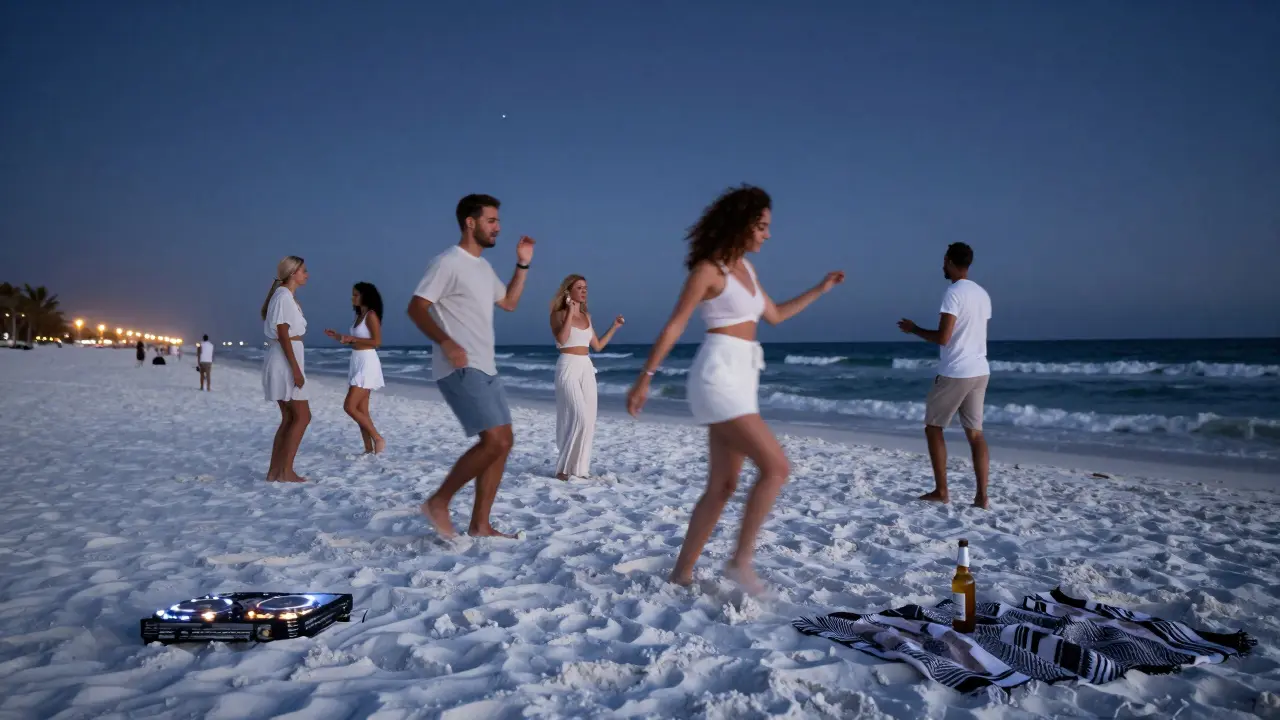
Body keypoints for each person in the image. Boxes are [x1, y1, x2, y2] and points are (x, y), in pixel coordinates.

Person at [626, 184, 844, 595]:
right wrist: (645, 377)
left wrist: (821, 288)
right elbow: (675, 324)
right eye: (761, 226)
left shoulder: (747, 270)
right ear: (741, 224)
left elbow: (776, 315)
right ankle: (739, 561)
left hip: (744, 376)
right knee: (777, 467)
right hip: (717, 375)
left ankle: (682, 573)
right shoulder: (709, 271)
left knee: (723, 486)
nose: (767, 234)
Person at [407, 194, 535, 539]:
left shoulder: (483, 267)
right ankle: (439, 501)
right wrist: (446, 342)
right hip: (460, 366)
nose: (498, 227)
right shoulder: (447, 262)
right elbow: (416, 308)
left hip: (486, 364)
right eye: (491, 220)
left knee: (504, 442)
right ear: (470, 222)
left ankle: (480, 524)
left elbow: (508, 302)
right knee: (493, 441)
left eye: (497, 221)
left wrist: (522, 265)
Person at [897, 242, 993, 509]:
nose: (942, 265)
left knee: (933, 427)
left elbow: (944, 337)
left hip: (955, 371)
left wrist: (914, 329)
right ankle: (982, 496)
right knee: (976, 434)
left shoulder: (953, 293)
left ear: (950, 261)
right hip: (980, 369)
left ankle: (941, 490)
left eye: (944, 260)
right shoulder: (982, 295)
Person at [548, 274, 625, 481]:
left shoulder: (587, 317)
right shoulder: (557, 314)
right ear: (568, 291)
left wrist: (615, 327)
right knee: (579, 417)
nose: (584, 291)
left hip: (586, 367)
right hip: (567, 366)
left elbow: (598, 346)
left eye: (586, 288)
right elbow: (562, 339)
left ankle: (579, 470)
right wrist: (570, 313)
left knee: (589, 420)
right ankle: (563, 469)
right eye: (579, 287)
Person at [261, 255, 311, 483]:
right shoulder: (283, 296)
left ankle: (275, 472)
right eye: (303, 271)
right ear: (293, 273)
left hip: (283, 358)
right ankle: (286, 471)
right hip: (284, 361)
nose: (307, 274)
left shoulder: (285, 296)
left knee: (290, 417)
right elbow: (283, 334)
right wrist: (296, 371)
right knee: (302, 416)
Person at [325, 282, 386, 454]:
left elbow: (377, 342)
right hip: (357, 360)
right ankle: (368, 448)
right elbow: (354, 339)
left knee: (350, 407)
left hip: (367, 362)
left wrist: (352, 339)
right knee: (362, 409)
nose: (352, 298)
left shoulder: (371, 315)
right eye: (353, 294)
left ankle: (378, 438)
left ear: (366, 295)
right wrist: (338, 337)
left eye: (356, 294)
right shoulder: (360, 315)